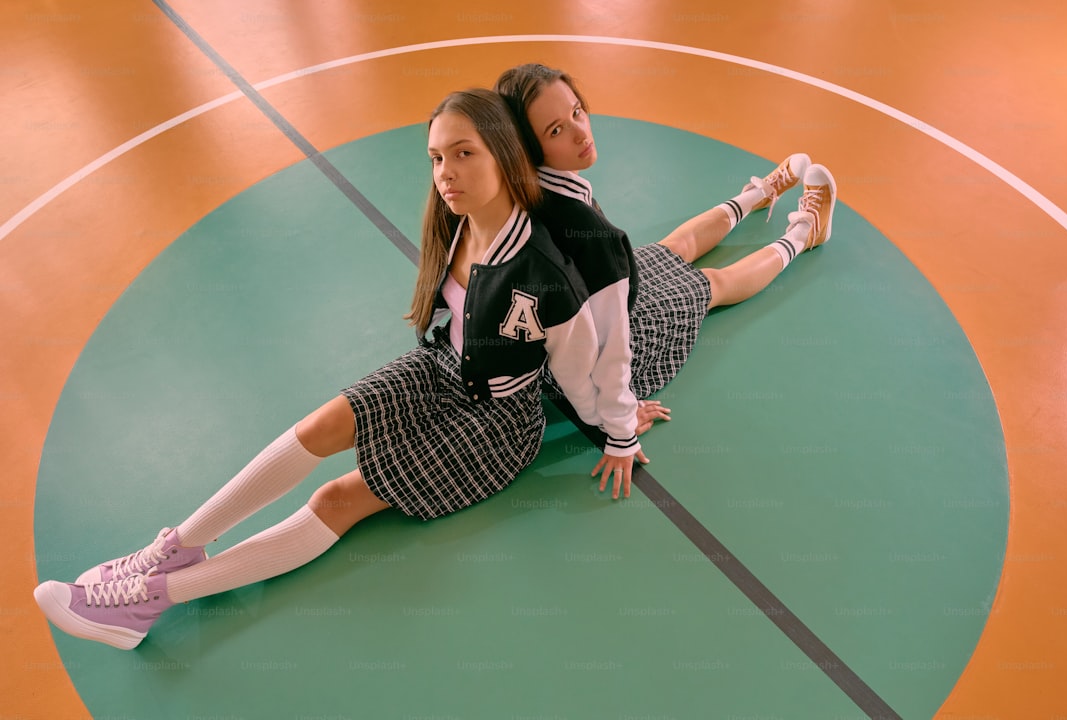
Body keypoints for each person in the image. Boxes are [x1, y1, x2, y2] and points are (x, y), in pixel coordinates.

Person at [33, 88, 644, 651]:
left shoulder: (544, 273)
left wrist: (619, 432)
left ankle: (149, 602)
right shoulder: (456, 224)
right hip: (438, 368)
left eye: (463, 153)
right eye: (435, 158)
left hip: (495, 424)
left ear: (506, 155)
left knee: (336, 497)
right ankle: (171, 550)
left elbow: (579, 364)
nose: (446, 174)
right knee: (321, 425)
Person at [495, 63, 838, 458]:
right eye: (556, 130)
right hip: (603, 347)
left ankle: (759, 195)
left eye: (576, 111)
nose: (580, 132)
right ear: (528, 148)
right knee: (711, 284)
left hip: (596, 311)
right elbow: (605, 348)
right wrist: (617, 420)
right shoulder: (569, 223)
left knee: (674, 247)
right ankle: (805, 233)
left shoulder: (531, 190)